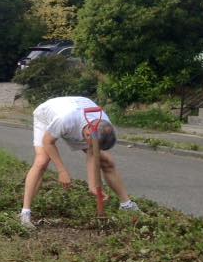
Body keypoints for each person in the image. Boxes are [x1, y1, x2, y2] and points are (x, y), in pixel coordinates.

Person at [21, 95, 140, 228]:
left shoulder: (104, 123)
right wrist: (62, 171)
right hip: (47, 115)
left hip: (79, 112)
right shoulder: (65, 120)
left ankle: (126, 205)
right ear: (89, 133)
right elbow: (48, 142)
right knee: (42, 161)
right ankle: (25, 213)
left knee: (107, 161)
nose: (95, 147)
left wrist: (92, 185)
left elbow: (92, 152)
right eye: (94, 143)